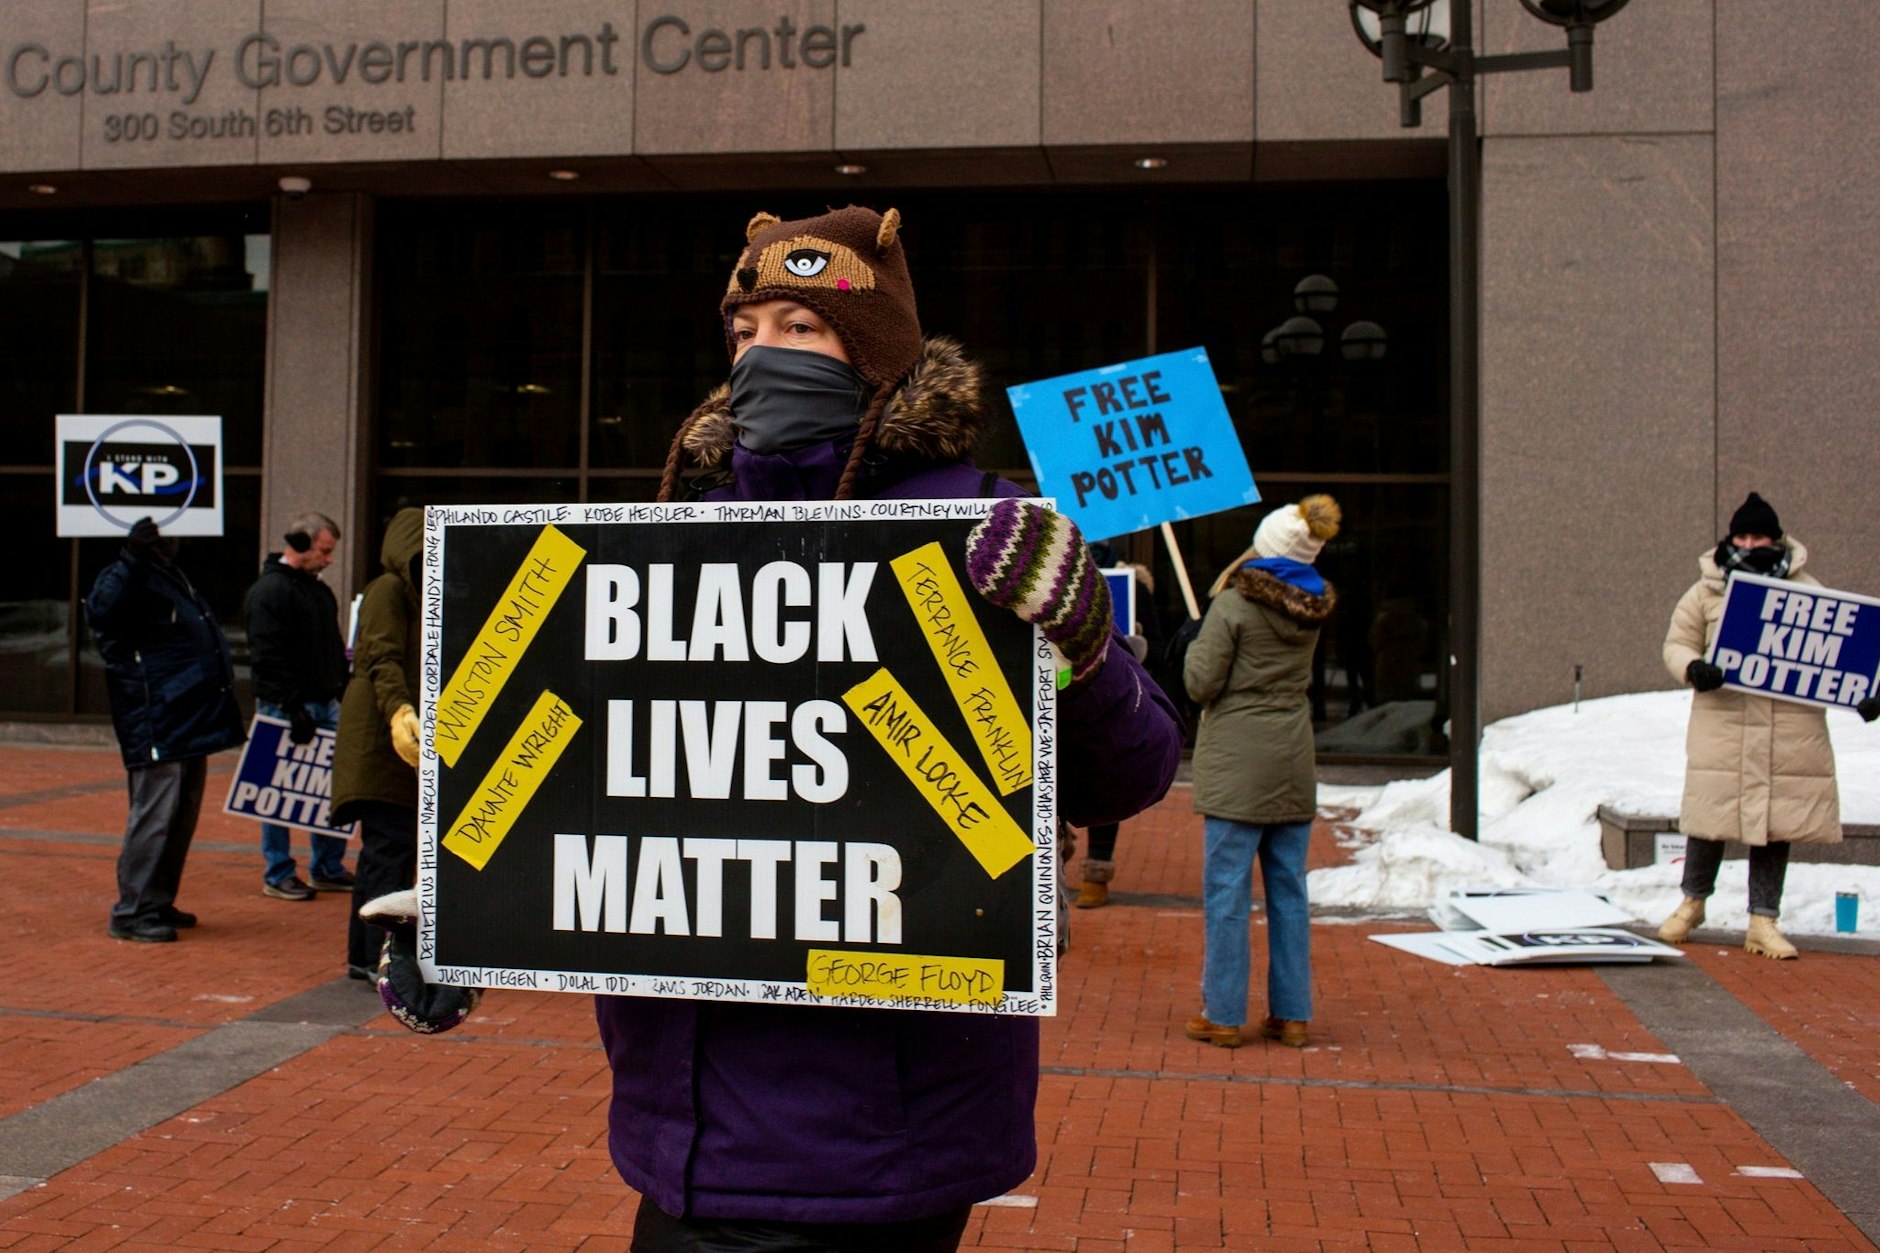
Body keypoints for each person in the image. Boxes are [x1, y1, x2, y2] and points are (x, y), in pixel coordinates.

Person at [556, 205, 1180, 1249]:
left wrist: (1080, 649)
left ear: (875, 350)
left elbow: (1136, 770)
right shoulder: (674, 537)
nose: (761, 355)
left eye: (798, 327)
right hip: (678, 1124)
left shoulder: (981, 525)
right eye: (744, 331)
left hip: (882, 1137)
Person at [1657, 492, 1879, 958]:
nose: (1748, 544)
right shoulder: (1705, 592)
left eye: (1758, 536)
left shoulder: (1810, 593)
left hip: (1789, 731)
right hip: (1724, 726)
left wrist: (1867, 691)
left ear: (1776, 540)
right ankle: (1692, 903)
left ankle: (1763, 920)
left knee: (1776, 826)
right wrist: (1693, 668)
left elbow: (1843, 651)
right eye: (1741, 536)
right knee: (1709, 818)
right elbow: (1678, 643)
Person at [1183, 494, 1340, 1050]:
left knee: (1227, 893)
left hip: (1237, 764)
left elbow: (1200, 682)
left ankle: (1224, 1014)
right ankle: (1292, 1015)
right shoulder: (1312, 607)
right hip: (1292, 758)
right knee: (1289, 893)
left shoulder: (1233, 605)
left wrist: (1195, 640)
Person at [86, 516, 246, 942]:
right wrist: (131, 558)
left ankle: (155, 900)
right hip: (158, 716)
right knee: (154, 816)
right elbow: (102, 611)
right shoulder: (127, 575)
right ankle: (132, 910)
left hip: (186, 716)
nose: (171, 538)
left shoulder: (165, 574)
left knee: (179, 816)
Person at [330, 507, 426, 981]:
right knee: (389, 850)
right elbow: (381, 659)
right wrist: (400, 712)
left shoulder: (418, 593)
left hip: (391, 745)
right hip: (379, 745)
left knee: (390, 851)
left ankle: (365, 955)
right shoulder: (389, 589)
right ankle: (372, 957)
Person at [243, 510, 351, 901]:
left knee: (328, 788)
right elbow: (267, 656)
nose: (329, 559)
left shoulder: (316, 591)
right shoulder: (271, 592)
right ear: (301, 544)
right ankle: (278, 872)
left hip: (321, 702)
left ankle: (327, 866)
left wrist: (342, 685)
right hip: (286, 706)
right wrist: (291, 706)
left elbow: (331, 646)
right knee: (277, 791)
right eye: (323, 550)